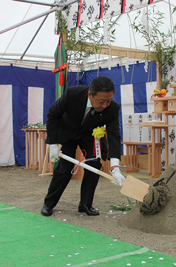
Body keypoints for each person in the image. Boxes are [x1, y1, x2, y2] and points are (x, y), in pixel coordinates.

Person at [41, 76, 126, 216]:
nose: (105, 105)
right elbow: (53, 115)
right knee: (65, 169)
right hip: (67, 132)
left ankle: (85, 204)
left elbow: (114, 136)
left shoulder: (113, 108)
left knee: (94, 166)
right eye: (101, 101)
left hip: (90, 135)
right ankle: (49, 203)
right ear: (90, 95)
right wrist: (53, 144)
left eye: (108, 101)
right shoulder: (72, 94)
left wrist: (115, 167)